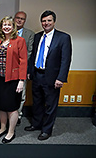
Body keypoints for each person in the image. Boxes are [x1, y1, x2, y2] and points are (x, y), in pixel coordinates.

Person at [25, 10, 72, 141]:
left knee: (50, 105)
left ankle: (47, 130)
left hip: (52, 78)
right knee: (37, 102)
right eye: (44, 21)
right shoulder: (37, 36)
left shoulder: (63, 37)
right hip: (37, 75)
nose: (46, 23)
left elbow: (65, 60)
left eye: (49, 20)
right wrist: (30, 71)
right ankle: (36, 124)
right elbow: (33, 56)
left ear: (54, 21)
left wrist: (61, 78)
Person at [0, 16, 27, 144]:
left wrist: (21, 80)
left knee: (11, 107)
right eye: (4, 25)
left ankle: (11, 132)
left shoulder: (19, 41)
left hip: (13, 80)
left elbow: (23, 62)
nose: (6, 27)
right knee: (0, 105)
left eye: (9, 25)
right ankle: (2, 128)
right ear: (1, 27)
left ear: (13, 27)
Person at [14, 11, 35, 125]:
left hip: (22, 68)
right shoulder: (7, 31)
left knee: (21, 94)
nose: (19, 20)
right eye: (18, 18)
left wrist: (23, 68)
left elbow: (30, 52)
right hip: (8, 70)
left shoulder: (30, 34)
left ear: (24, 21)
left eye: (22, 19)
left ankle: (18, 115)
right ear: (14, 19)